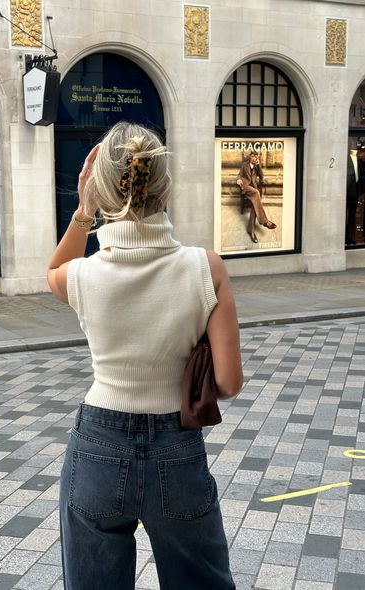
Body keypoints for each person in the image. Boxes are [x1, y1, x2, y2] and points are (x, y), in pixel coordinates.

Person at [48, 121, 243, 590]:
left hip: (98, 441)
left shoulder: (81, 275)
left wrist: (82, 210)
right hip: (175, 445)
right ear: (165, 185)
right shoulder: (206, 267)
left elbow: (52, 268)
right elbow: (229, 382)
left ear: (103, 191)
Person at [236, 151, 276, 243]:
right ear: (250, 157)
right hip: (245, 187)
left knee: (255, 203)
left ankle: (251, 231)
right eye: (253, 156)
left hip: (253, 189)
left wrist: (259, 166)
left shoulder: (257, 166)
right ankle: (264, 221)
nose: (254, 158)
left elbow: (261, 177)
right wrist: (238, 180)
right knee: (257, 193)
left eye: (256, 157)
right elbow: (239, 174)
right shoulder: (244, 165)